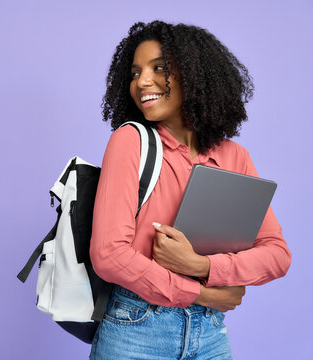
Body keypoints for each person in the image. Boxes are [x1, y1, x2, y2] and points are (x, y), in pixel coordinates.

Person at [88, 21, 292, 360]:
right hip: (137, 329)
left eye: (159, 69)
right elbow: (109, 255)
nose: (142, 82)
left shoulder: (234, 156)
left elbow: (277, 254)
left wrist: (202, 265)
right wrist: (201, 293)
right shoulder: (130, 141)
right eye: (135, 72)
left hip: (210, 332)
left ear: (196, 76)